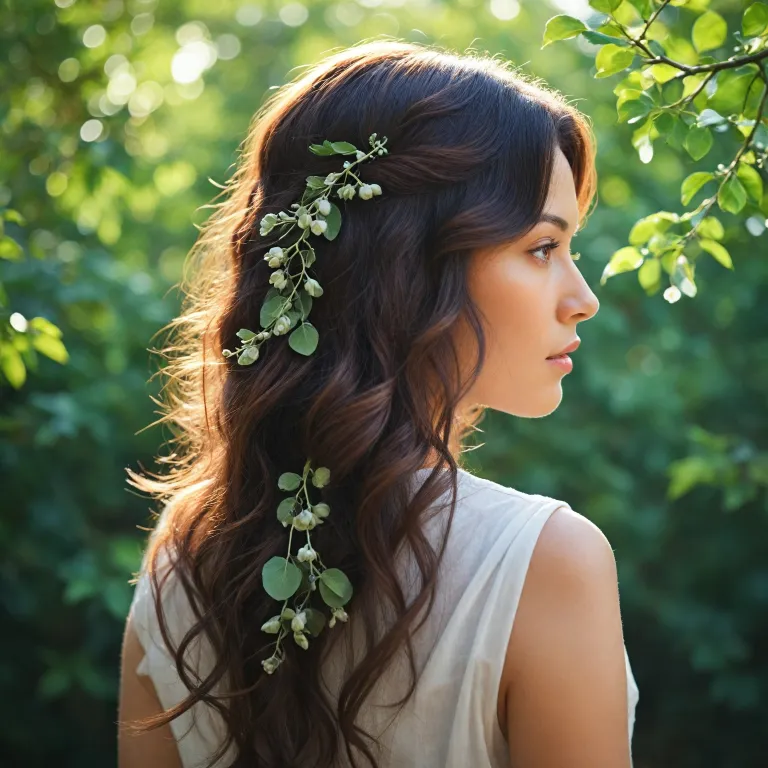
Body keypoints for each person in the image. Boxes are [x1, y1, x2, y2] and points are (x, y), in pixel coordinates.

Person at [118, 39, 639, 768]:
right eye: (542, 248)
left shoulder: (183, 565)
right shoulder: (547, 564)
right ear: (410, 262)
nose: (582, 300)